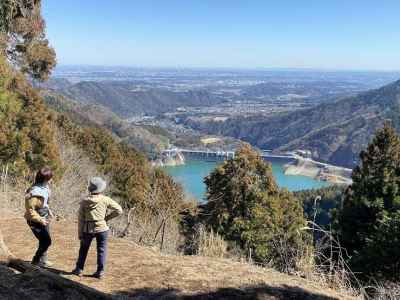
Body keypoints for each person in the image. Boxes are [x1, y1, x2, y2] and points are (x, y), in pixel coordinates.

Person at [72, 177, 122, 279]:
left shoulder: (84, 201)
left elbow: (81, 219)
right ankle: (100, 272)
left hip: (87, 229)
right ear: (101, 189)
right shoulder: (105, 199)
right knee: (102, 250)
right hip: (102, 228)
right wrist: (106, 218)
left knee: (83, 249)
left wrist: (80, 233)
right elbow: (119, 210)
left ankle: (79, 269)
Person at [24, 166, 54, 267]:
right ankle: (35, 261)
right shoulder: (35, 191)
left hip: (43, 216)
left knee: (44, 240)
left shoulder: (44, 187)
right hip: (35, 219)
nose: (51, 180)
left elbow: (44, 203)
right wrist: (41, 220)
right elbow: (30, 210)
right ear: (46, 179)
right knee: (47, 241)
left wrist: (49, 210)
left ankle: (43, 261)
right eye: (50, 178)